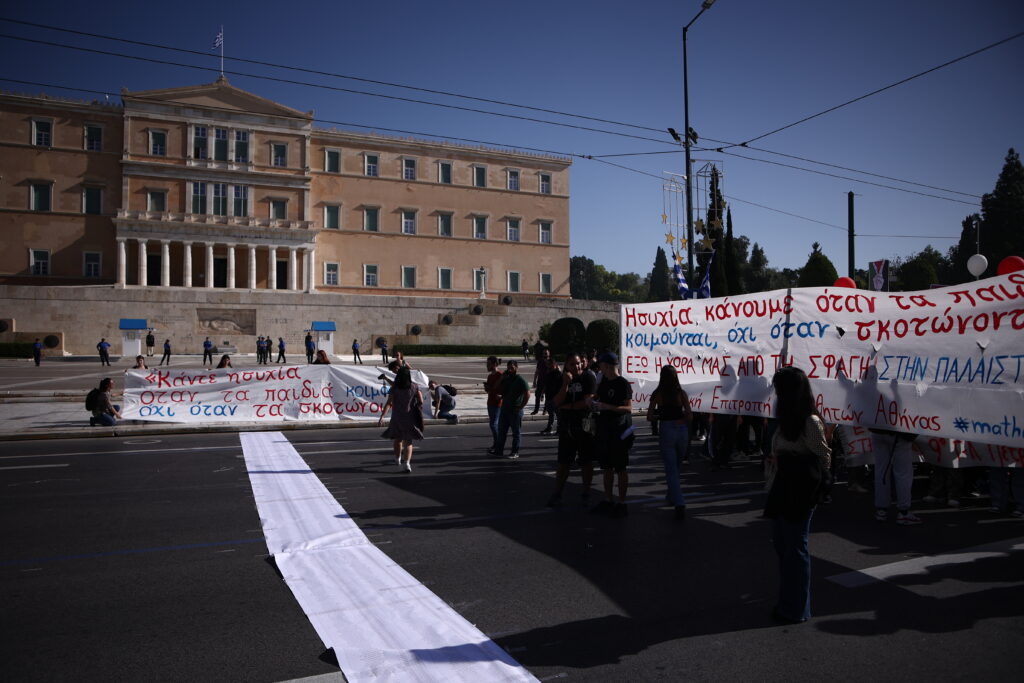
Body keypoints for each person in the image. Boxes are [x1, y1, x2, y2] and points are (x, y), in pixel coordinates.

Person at [763, 366, 831, 624]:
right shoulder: (785, 418)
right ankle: (788, 601)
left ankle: (797, 608)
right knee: (783, 545)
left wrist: (819, 487)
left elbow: (823, 456)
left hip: (800, 488)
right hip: (783, 485)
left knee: (795, 547)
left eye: (779, 388)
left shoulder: (809, 421)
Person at [547, 352, 597, 508]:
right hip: (567, 426)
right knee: (563, 462)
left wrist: (568, 406)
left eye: (578, 363)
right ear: (566, 366)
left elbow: (588, 402)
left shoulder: (588, 377)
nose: (577, 367)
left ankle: (586, 492)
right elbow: (556, 401)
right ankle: (558, 493)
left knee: (586, 462)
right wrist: (565, 384)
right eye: (572, 364)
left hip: (585, 424)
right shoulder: (561, 378)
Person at [590, 353, 634, 518]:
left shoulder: (623, 384)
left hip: (619, 430)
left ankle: (622, 502)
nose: (599, 368)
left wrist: (607, 406)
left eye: (601, 365)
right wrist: (592, 401)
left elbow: (629, 408)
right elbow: (598, 398)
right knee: (606, 467)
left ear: (608, 366)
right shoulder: (604, 382)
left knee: (620, 468)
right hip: (605, 430)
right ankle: (608, 499)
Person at [647, 364, 692, 520]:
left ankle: (678, 500)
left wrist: (662, 417)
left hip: (667, 429)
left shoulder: (658, 393)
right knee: (676, 466)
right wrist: (680, 420)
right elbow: (690, 415)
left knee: (671, 468)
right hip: (681, 430)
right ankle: (674, 496)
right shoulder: (682, 393)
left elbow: (649, 416)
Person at [870, 428, 923, 525]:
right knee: (903, 473)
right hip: (899, 433)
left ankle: (881, 510)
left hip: (877, 430)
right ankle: (904, 512)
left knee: (881, 471)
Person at [378, 367, 424, 473]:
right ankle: (407, 463)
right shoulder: (414, 386)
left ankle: (397, 458)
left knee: (398, 439)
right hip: (410, 417)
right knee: (408, 441)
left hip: (397, 417)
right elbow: (420, 400)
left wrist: (382, 416)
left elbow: (389, 403)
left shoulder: (395, 388)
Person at [495, 360, 530, 459]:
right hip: (505, 409)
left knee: (516, 432)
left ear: (516, 367)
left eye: (512, 367)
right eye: (508, 367)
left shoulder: (520, 379)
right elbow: (497, 387)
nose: (510, 369)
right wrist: (502, 378)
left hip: (515, 410)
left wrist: (521, 406)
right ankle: (499, 451)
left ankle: (515, 452)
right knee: (502, 431)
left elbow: (528, 394)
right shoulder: (507, 379)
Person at [484, 356, 504, 454]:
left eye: (488, 364)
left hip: (497, 404)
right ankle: (496, 443)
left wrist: (501, 395)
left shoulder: (501, 375)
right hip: (490, 402)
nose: (487, 365)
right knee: (493, 424)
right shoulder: (490, 376)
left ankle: (498, 444)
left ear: (494, 364)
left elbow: (506, 388)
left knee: (493, 424)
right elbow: (489, 390)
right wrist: (487, 388)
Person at [539, 359, 562, 435]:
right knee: (551, 414)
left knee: (558, 414)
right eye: (548, 364)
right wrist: (542, 394)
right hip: (548, 397)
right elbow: (546, 385)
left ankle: (559, 429)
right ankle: (549, 427)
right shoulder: (548, 374)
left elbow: (562, 386)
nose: (549, 366)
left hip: (556, 397)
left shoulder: (559, 374)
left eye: (551, 364)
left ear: (555, 365)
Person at [531, 347, 552, 415]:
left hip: (548, 382)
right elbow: (537, 371)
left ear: (549, 354)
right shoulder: (540, 361)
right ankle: (536, 410)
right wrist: (534, 381)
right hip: (540, 381)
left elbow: (556, 370)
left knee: (547, 397)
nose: (545, 355)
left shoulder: (551, 361)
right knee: (537, 395)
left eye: (546, 353)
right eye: (544, 354)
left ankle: (545, 410)